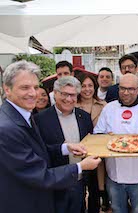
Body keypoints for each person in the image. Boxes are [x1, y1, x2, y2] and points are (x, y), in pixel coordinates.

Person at [0, 60, 101, 213]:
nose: (33, 93)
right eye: (25, 87)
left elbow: (36, 151)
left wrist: (65, 148)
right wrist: (80, 166)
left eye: (35, 87)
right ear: (7, 89)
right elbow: (39, 175)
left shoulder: (23, 115)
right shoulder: (7, 128)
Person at [94, 73, 138, 213]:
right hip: (114, 174)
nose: (126, 92)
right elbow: (98, 135)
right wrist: (107, 137)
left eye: (130, 89)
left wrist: (124, 140)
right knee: (118, 209)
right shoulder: (109, 108)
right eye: (122, 88)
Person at [35, 76, 94, 213]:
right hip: (54, 184)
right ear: (55, 94)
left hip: (78, 181)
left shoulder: (84, 117)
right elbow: (40, 151)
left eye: (72, 95)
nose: (68, 99)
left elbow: (90, 145)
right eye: (64, 94)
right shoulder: (40, 120)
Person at [77, 75, 108, 212]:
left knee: (96, 187)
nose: (87, 89)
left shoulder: (104, 105)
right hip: (78, 152)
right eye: (83, 86)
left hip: (98, 153)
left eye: (90, 85)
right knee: (80, 187)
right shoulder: (72, 105)